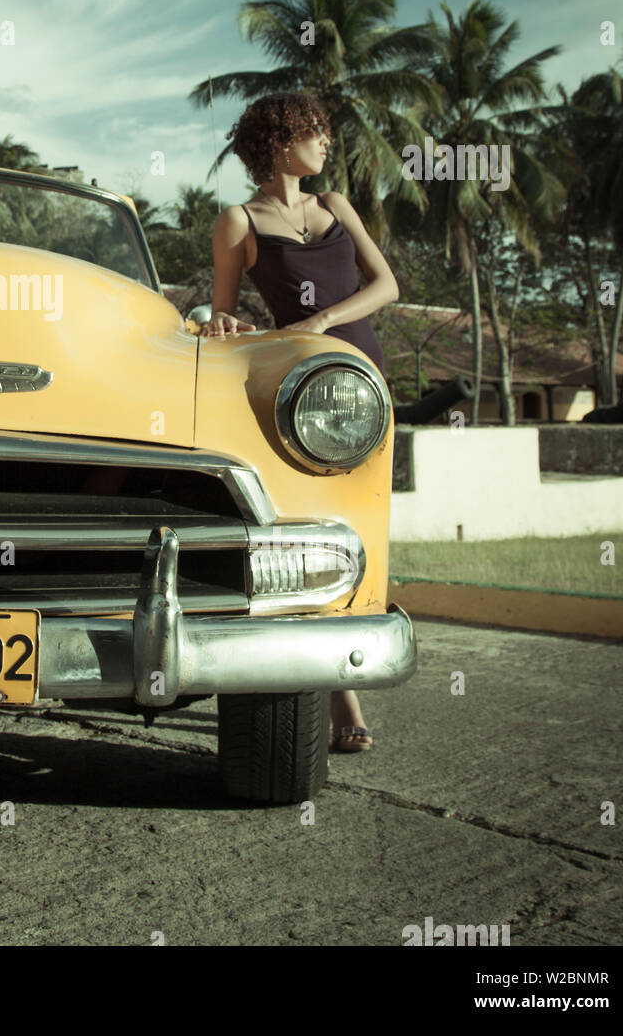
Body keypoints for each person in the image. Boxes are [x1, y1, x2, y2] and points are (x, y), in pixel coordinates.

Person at [202, 90, 398, 752]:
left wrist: (321, 320)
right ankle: (341, 696)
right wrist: (221, 322)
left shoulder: (336, 206)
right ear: (281, 140)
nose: (327, 142)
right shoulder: (238, 222)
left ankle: (347, 663)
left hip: (362, 381)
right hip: (297, 395)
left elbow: (387, 285)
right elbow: (221, 319)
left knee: (363, 524)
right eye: (315, 131)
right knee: (307, 530)